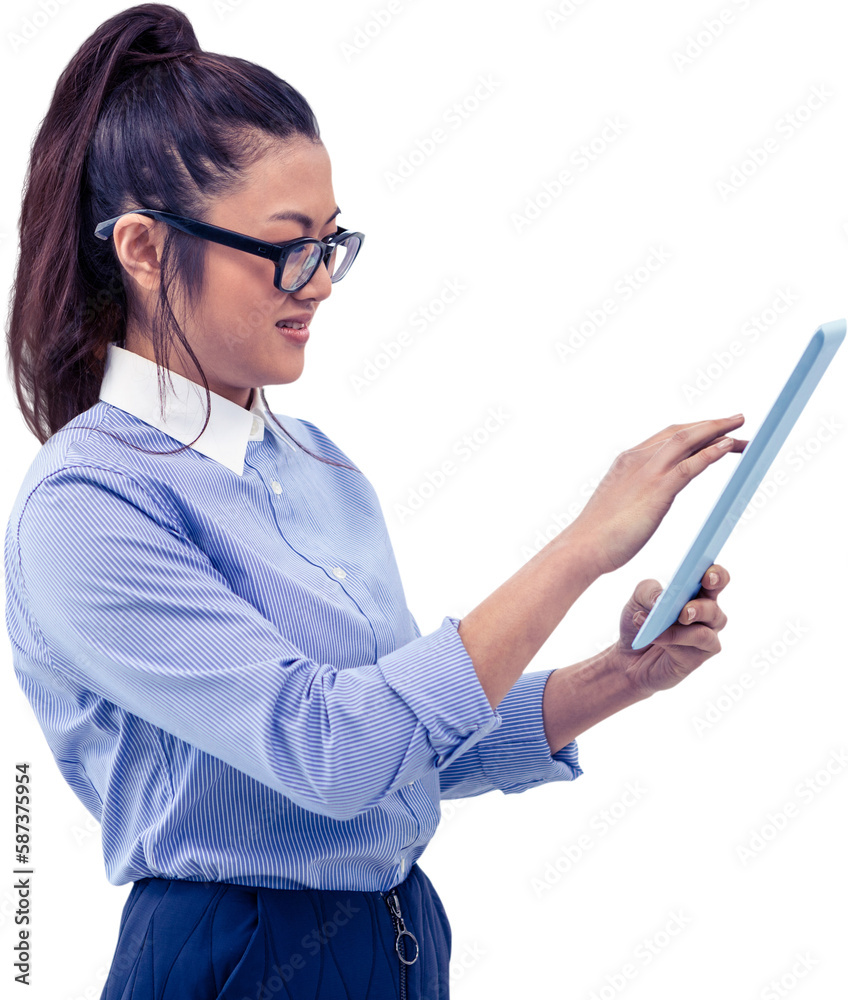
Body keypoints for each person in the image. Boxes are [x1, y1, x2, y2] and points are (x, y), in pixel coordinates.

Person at [3, 4, 748, 999]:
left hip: (395, 937)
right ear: (142, 249)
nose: (318, 283)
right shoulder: (87, 505)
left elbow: (407, 736)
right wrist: (581, 547)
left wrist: (622, 674)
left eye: (330, 241)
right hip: (235, 954)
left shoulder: (315, 461)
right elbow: (335, 750)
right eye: (285, 246)